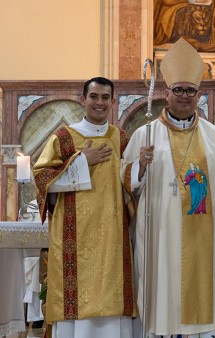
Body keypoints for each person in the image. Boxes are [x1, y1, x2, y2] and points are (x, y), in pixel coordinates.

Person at [121, 38, 215, 337]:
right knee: (163, 297)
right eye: (178, 89)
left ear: (199, 95)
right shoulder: (145, 136)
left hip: (206, 237)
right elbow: (126, 186)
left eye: (190, 90)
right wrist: (139, 167)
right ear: (167, 93)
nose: (184, 95)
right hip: (160, 237)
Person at [33, 77, 136, 338]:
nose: (99, 102)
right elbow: (42, 179)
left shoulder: (121, 138)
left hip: (112, 237)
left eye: (105, 97)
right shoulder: (65, 138)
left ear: (113, 102)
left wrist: (141, 169)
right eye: (93, 96)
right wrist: (81, 161)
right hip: (74, 239)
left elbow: (130, 184)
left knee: (111, 298)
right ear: (83, 100)